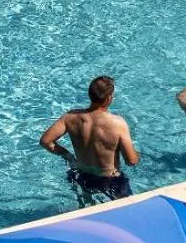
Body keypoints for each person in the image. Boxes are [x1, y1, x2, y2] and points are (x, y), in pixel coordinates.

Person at [39, 76, 140, 204]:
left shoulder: (70, 117)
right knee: (125, 210)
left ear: (89, 95)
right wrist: (136, 153)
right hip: (110, 180)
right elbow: (131, 161)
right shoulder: (118, 123)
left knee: (87, 209)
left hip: (82, 177)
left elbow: (45, 141)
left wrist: (68, 156)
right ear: (109, 98)